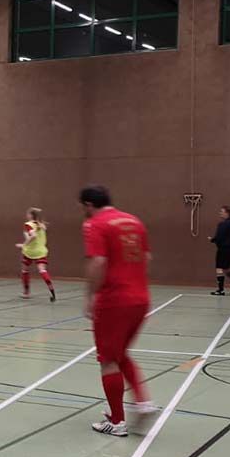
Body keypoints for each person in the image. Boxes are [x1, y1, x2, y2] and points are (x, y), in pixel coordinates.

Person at [80, 186, 154, 437]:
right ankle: (143, 403)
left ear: (88, 205)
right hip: (141, 298)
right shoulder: (134, 221)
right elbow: (147, 258)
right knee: (120, 354)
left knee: (108, 360)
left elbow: (98, 261)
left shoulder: (95, 224)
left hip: (114, 300)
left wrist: (90, 295)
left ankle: (117, 421)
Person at [16, 207, 55, 302]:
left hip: (29, 251)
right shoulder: (42, 225)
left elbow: (33, 236)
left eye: (28, 213)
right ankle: (52, 290)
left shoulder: (28, 225)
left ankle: (26, 293)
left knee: (25, 270)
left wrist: (23, 244)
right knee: (42, 270)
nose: (26, 215)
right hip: (41, 251)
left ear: (31, 215)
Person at [208, 205, 230, 296]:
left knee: (219, 268)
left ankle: (220, 290)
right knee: (227, 269)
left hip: (224, 249)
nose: (220, 213)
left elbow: (219, 237)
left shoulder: (222, 224)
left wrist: (212, 240)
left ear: (227, 213)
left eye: (222, 211)